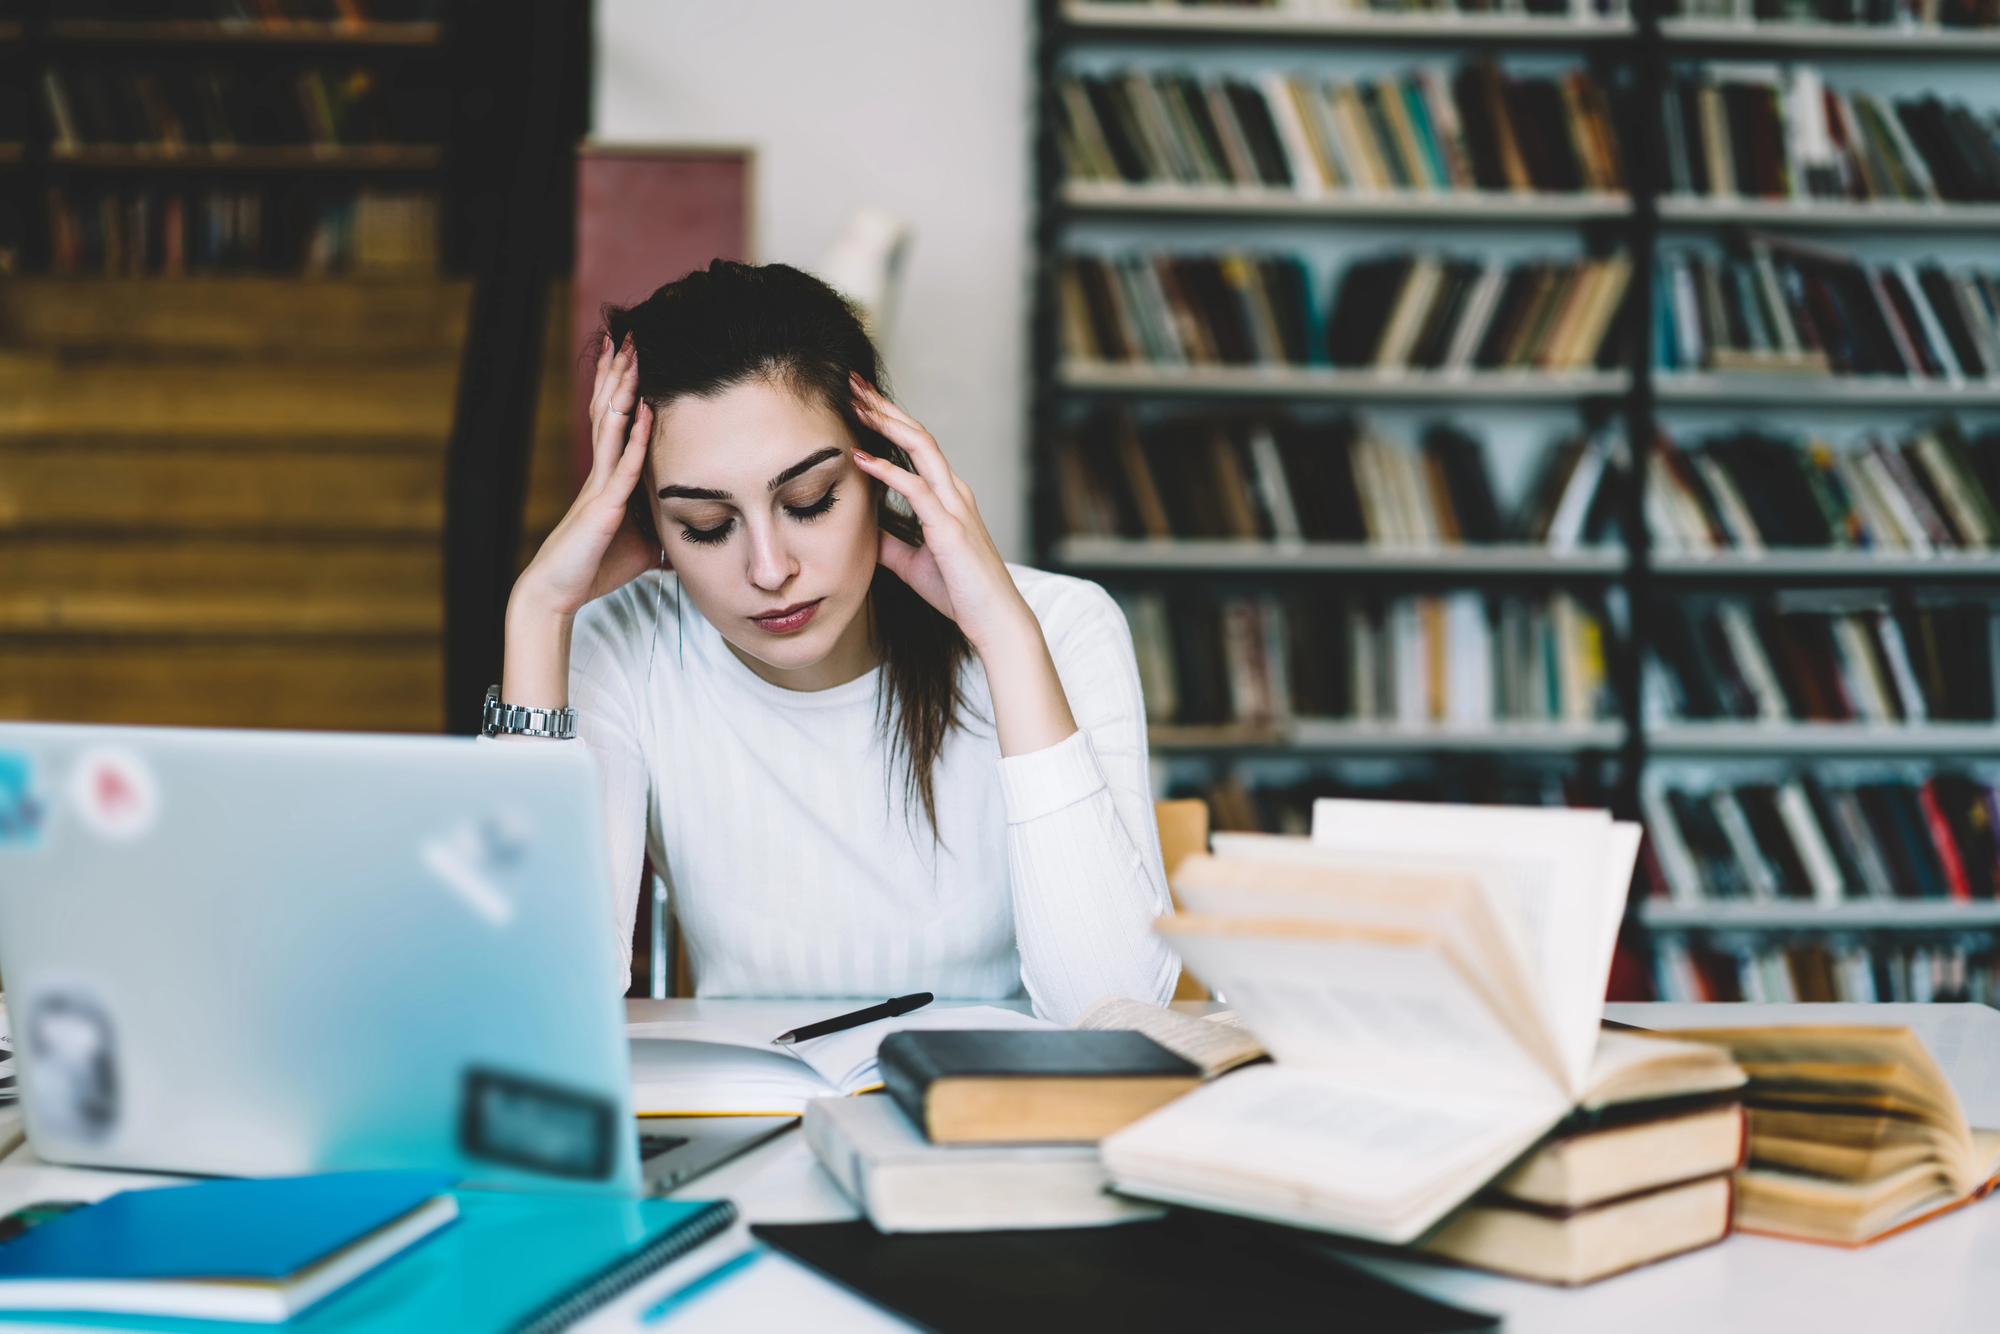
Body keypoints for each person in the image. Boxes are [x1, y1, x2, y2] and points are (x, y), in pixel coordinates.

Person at [498, 260, 1175, 1022]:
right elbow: (536, 1008)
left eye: (810, 501)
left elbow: (1111, 1009)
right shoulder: (622, 640)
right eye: (706, 527)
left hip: (989, 1126)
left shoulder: (1061, 625)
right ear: (647, 524)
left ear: (882, 473)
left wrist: (1007, 642)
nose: (769, 569)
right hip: (745, 1123)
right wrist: (537, 615)